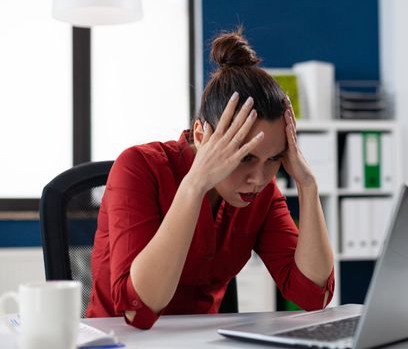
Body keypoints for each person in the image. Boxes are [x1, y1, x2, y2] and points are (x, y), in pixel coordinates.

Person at [86, 29, 334, 329]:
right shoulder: (138, 167)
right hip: (119, 341)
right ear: (202, 135)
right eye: (245, 156)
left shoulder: (262, 192)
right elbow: (139, 312)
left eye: (274, 159)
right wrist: (194, 186)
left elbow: (313, 295)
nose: (258, 178)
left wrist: (308, 185)